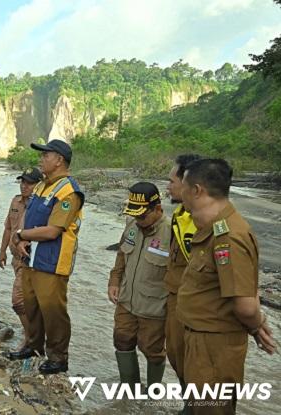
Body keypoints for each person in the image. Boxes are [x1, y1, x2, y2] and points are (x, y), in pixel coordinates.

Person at [178, 158, 277, 413]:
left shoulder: (228, 237)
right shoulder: (212, 229)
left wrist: (257, 326)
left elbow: (245, 305)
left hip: (214, 349)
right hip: (202, 344)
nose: (179, 191)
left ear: (197, 190)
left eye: (183, 185)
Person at [9, 139, 84, 375]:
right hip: (31, 258)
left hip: (52, 261)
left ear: (59, 160)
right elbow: (27, 215)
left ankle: (58, 357)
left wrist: (21, 234)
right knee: (31, 306)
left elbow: (53, 231)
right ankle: (33, 346)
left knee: (53, 311)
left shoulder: (69, 191)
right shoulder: (42, 186)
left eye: (45, 156)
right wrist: (21, 239)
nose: (41, 159)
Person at [107, 182, 170, 388]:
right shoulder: (131, 225)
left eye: (143, 216)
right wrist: (114, 281)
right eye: (135, 216)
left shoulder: (171, 233)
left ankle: (153, 395)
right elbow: (121, 256)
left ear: (158, 209)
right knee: (122, 340)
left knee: (152, 350)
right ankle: (130, 390)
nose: (138, 220)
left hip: (154, 307)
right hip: (126, 300)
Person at [164, 154, 200, 390]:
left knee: (196, 363)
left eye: (172, 182)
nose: (168, 187)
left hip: (194, 304)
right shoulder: (179, 216)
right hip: (176, 297)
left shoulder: (201, 222)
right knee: (176, 354)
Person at [0, 167, 43, 353]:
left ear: (39, 185)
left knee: (18, 301)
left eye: (29, 183)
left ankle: (32, 340)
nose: (24, 186)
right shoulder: (15, 201)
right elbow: (8, 228)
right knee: (28, 302)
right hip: (16, 259)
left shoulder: (41, 205)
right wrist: (2, 252)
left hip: (31, 260)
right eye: (22, 182)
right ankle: (34, 338)